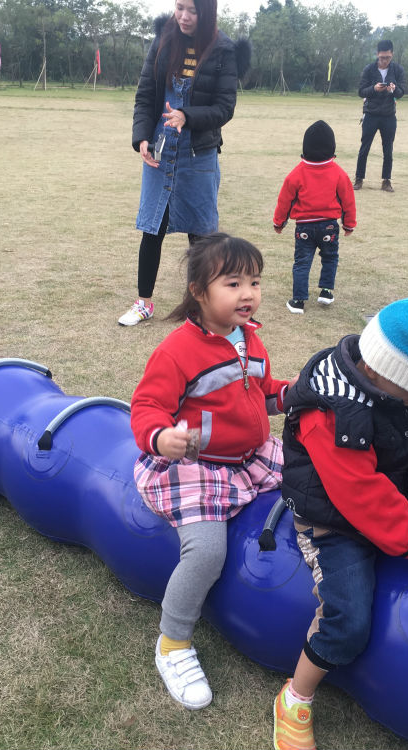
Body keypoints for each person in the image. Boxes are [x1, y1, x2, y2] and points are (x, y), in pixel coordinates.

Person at [271, 293, 408, 750]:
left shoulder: (397, 392)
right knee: (348, 617)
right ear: (382, 370)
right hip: (331, 520)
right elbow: (356, 491)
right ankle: (295, 696)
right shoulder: (331, 409)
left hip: (384, 500)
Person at [130, 233, 292, 709]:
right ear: (199, 291)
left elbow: (262, 392)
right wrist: (161, 436)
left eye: (255, 282)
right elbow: (146, 406)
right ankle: (173, 642)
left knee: (314, 480)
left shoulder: (250, 338)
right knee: (206, 552)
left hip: (251, 455)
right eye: (233, 283)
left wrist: (292, 393)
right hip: (197, 467)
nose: (248, 293)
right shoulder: (177, 350)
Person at [119, 0, 251, 326]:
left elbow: (224, 108)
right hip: (161, 151)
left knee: (200, 236)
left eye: (192, 10)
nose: (184, 16)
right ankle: (144, 303)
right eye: (180, 7)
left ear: (206, 12)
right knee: (153, 228)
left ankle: (200, 308)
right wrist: (142, 137)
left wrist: (186, 116)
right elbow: (145, 94)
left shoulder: (223, 50)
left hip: (198, 154)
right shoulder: (163, 40)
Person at [272, 120, 356, 315]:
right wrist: (349, 224)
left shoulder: (296, 174)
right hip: (329, 226)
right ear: (332, 147)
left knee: (302, 262)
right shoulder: (339, 173)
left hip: (304, 228)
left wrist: (279, 222)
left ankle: (298, 301)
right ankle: (326, 291)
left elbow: (285, 201)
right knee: (330, 257)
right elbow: (348, 201)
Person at [354, 40, 405, 194]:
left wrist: (393, 90)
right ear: (377, 54)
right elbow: (361, 91)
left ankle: (386, 181)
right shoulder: (369, 69)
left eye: (388, 57)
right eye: (382, 57)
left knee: (388, 149)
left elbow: (402, 92)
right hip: (371, 114)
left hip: (389, 115)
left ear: (392, 55)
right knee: (364, 148)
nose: (385, 60)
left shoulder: (398, 70)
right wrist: (374, 88)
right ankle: (359, 178)